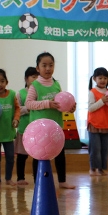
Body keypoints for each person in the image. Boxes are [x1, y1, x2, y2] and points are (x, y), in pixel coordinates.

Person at [25, 52, 76, 189]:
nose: (48, 68)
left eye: (51, 65)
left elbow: (59, 104)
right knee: (38, 155)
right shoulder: (34, 85)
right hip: (39, 129)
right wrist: (48, 103)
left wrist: (69, 108)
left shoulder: (56, 84)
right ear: (38, 68)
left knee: (60, 154)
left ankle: (62, 181)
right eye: (44, 65)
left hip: (55, 127)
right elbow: (29, 104)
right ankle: (38, 182)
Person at [87, 67, 108, 176]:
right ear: (94, 79)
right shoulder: (92, 92)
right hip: (94, 124)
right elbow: (91, 108)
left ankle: (101, 169)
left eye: (105, 78)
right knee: (95, 149)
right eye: (100, 78)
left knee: (105, 150)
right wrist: (102, 101)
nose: (103, 80)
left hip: (106, 123)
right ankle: (92, 168)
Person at [15, 67, 39, 185]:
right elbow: (17, 109)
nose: (36, 79)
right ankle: (20, 177)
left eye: (37, 77)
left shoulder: (40, 92)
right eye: (33, 77)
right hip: (23, 128)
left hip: (36, 129)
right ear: (26, 79)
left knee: (37, 155)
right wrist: (28, 108)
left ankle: (37, 177)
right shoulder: (21, 93)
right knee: (22, 155)